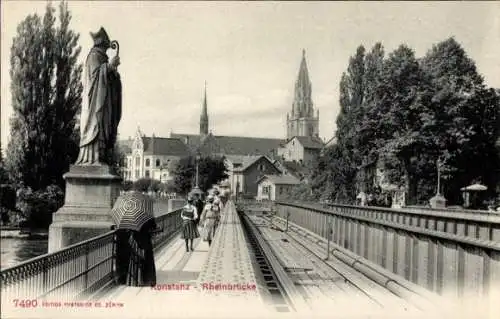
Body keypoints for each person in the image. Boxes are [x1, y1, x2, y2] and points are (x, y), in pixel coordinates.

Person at [76, 27, 121, 165]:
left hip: (104, 101)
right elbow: (94, 78)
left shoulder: (102, 58)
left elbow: (108, 79)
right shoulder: (94, 56)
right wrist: (109, 67)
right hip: (96, 103)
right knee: (97, 125)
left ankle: (100, 155)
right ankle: (93, 157)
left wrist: (113, 73)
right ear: (102, 43)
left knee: (104, 126)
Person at [115, 219, 157, 287]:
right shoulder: (146, 216)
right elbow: (153, 227)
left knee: (134, 260)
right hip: (144, 241)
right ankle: (148, 280)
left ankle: (132, 279)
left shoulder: (127, 218)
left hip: (134, 241)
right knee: (146, 260)